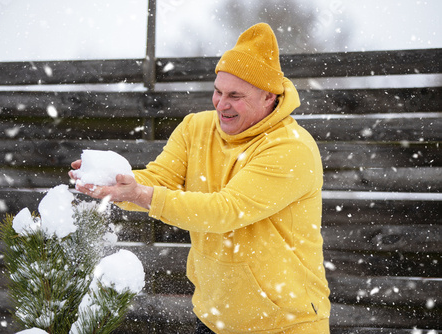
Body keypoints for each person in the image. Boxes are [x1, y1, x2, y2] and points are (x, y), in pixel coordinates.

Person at [70, 22, 331, 334]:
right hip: (214, 319)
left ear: (269, 97)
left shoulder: (290, 148)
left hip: (283, 324)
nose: (222, 104)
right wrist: (121, 183)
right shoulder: (197, 128)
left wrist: (141, 195)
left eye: (236, 95)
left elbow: (226, 211)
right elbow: (159, 180)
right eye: (218, 92)